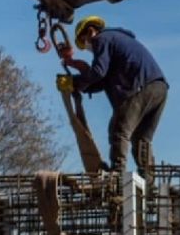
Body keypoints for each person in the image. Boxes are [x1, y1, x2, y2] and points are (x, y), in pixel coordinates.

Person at [58, 16, 168, 176]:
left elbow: (98, 72)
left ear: (90, 31)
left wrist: (73, 82)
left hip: (141, 87)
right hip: (159, 88)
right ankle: (149, 185)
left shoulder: (102, 39)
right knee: (141, 139)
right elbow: (102, 81)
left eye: (85, 42)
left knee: (119, 129)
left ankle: (116, 177)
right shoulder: (117, 42)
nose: (89, 47)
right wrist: (78, 84)